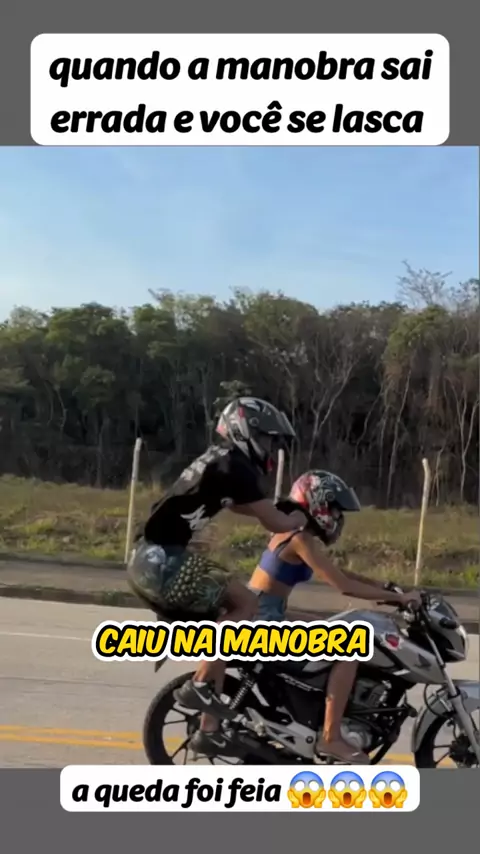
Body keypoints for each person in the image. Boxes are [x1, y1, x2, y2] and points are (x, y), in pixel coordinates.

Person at [126, 396, 307, 757]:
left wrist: (276, 512)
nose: (270, 447)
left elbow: (238, 504)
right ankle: (198, 688)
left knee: (224, 633)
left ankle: (210, 727)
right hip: (162, 561)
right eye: (266, 438)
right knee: (246, 603)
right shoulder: (235, 466)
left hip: (149, 558)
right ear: (245, 431)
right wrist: (300, 519)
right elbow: (275, 522)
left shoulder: (221, 459)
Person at [247, 469, 422, 764]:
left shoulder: (293, 533)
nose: (338, 518)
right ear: (318, 504)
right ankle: (331, 737)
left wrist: (387, 587)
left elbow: (338, 572)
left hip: (267, 613)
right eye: (336, 510)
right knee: (349, 647)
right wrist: (399, 599)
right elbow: (342, 585)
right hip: (263, 623)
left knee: (338, 623)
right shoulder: (299, 538)